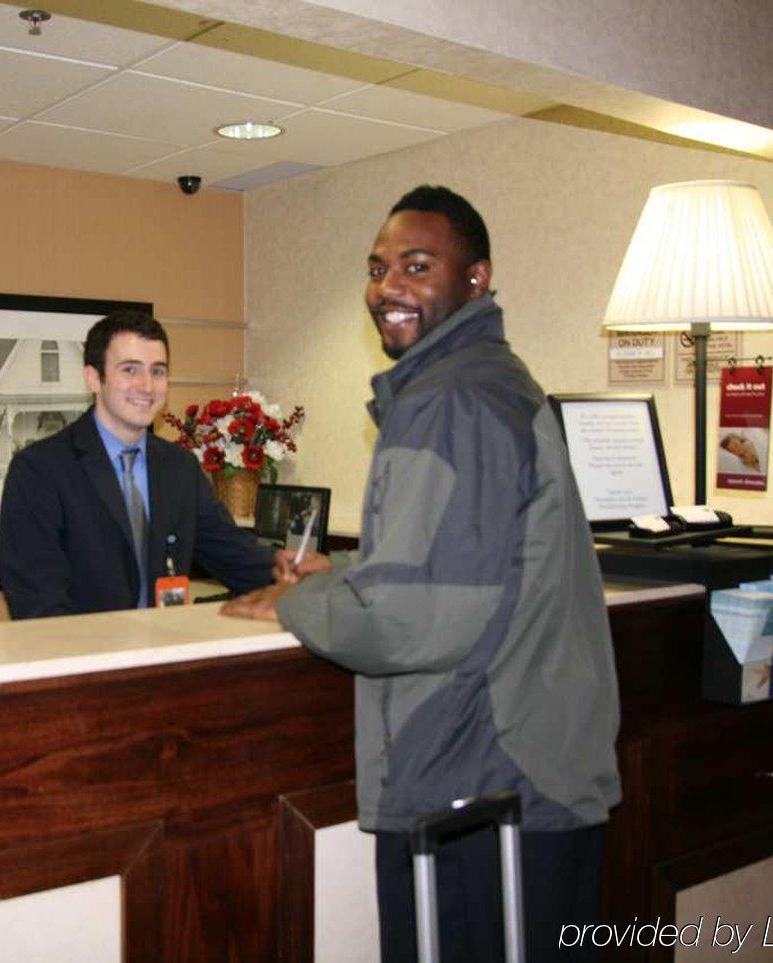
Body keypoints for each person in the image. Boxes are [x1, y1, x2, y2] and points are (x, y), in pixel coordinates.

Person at [223, 185, 620, 961]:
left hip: (480, 778)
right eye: (377, 268)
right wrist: (350, 571)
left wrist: (304, 599)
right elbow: (472, 559)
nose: (387, 288)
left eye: (416, 265)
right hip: (531, 773)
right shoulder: (492, 379)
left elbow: (409, 618)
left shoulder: (450, 401)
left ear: (476, 278)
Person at [0, 310, 274, 619]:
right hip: (85, 658)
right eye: (130, 370)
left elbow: (237, 557)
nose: (147, 386)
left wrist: (310, 576)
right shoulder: (39, 471)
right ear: (93, 378)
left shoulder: (180, 468)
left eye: (157, 371)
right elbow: (38, 602)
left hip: (166, 654)